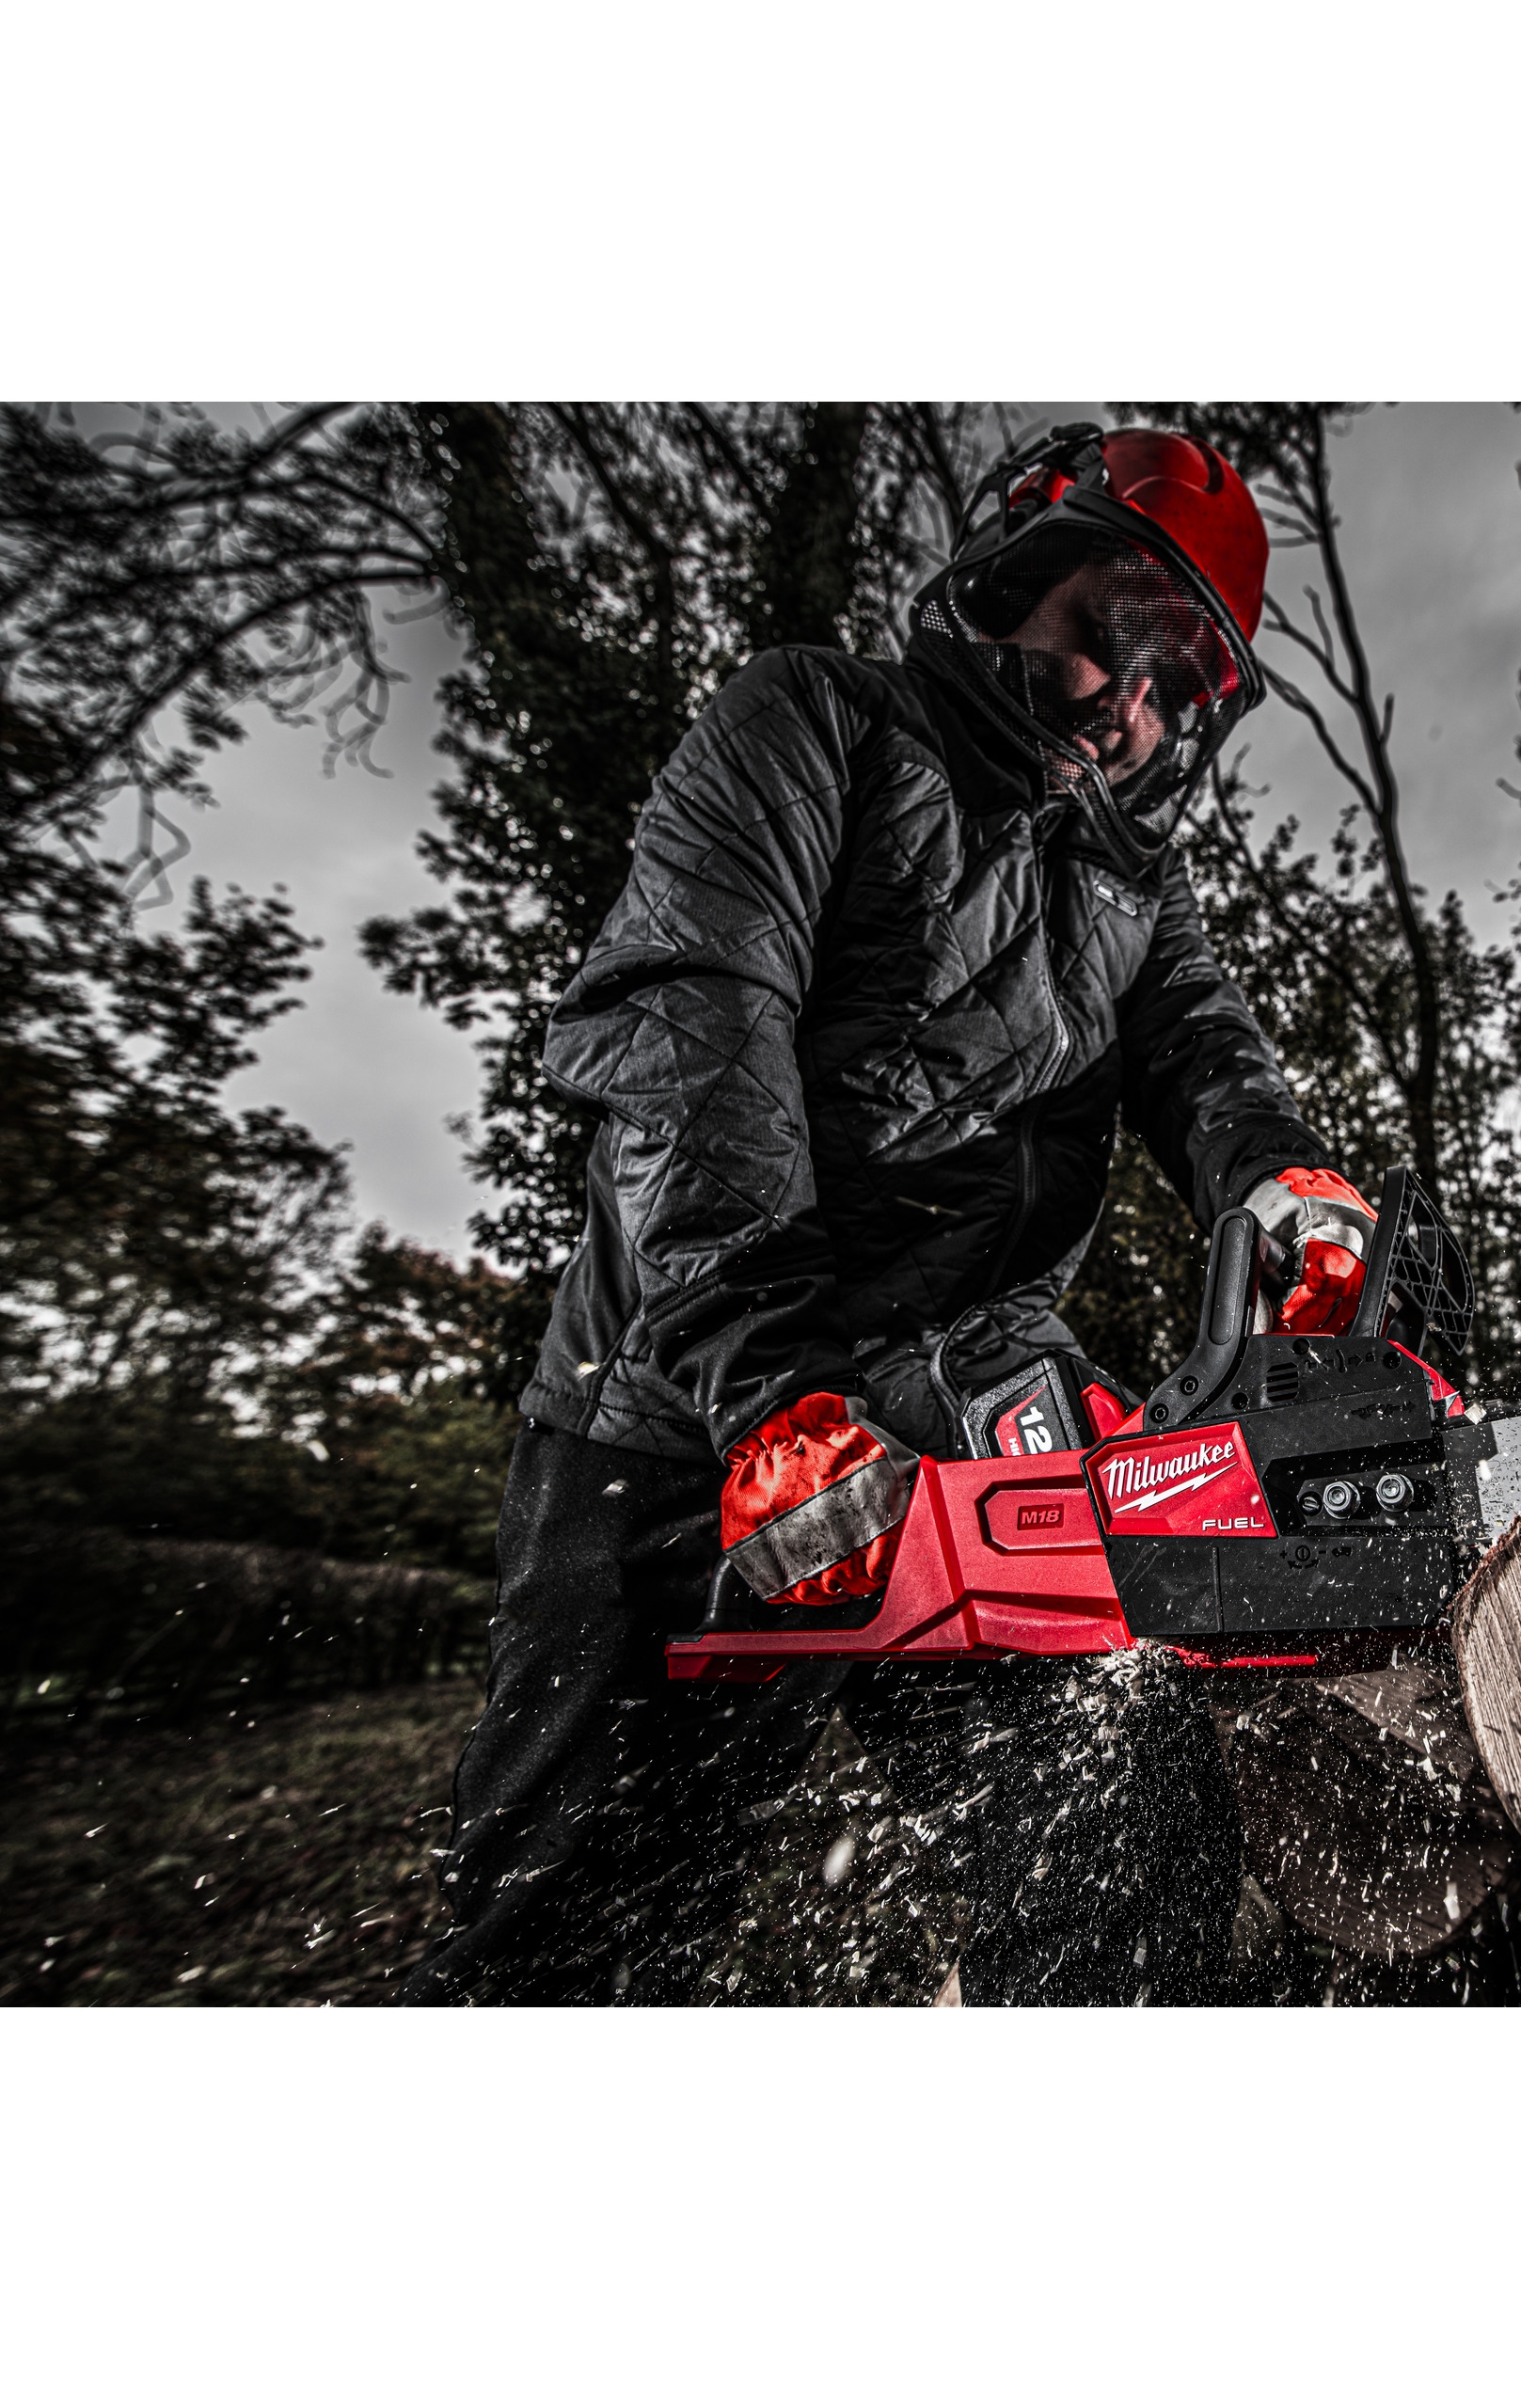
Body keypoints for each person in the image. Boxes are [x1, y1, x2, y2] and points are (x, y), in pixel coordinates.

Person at [399, 424, 1381, 2005]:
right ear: (1018, 573)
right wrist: (772, 1391)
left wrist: (1282, 1178)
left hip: (970, 1409)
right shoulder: (814, 722)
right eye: (1114, 639)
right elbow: (694, 1035)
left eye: (1179, 686)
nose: (1130, 707)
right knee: (580, 1944)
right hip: (683, 1406)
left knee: (1120, 1855)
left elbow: (1206, 1054)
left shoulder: (1131, 880)